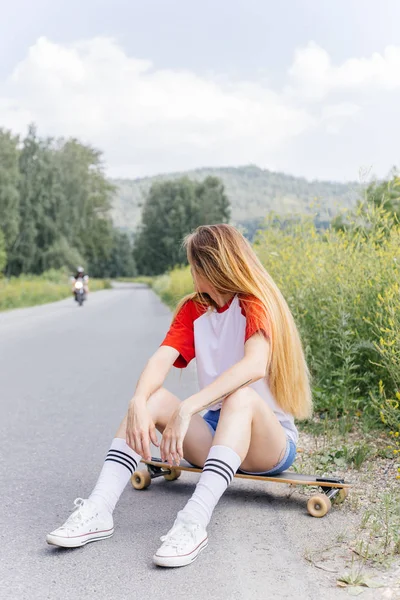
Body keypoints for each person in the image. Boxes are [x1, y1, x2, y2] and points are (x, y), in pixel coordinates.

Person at [47, 224, 312, 567]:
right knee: (152, 399)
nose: (191, 274)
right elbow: (162, 357)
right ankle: (98, 509)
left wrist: (188, 408)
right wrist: (138, 402)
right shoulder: (194, 309)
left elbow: (254, 366)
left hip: (268, 441)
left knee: (240, 397)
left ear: (210, 268)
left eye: (193, 267)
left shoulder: (254, 304)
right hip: (218, 438)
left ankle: (193, 523)